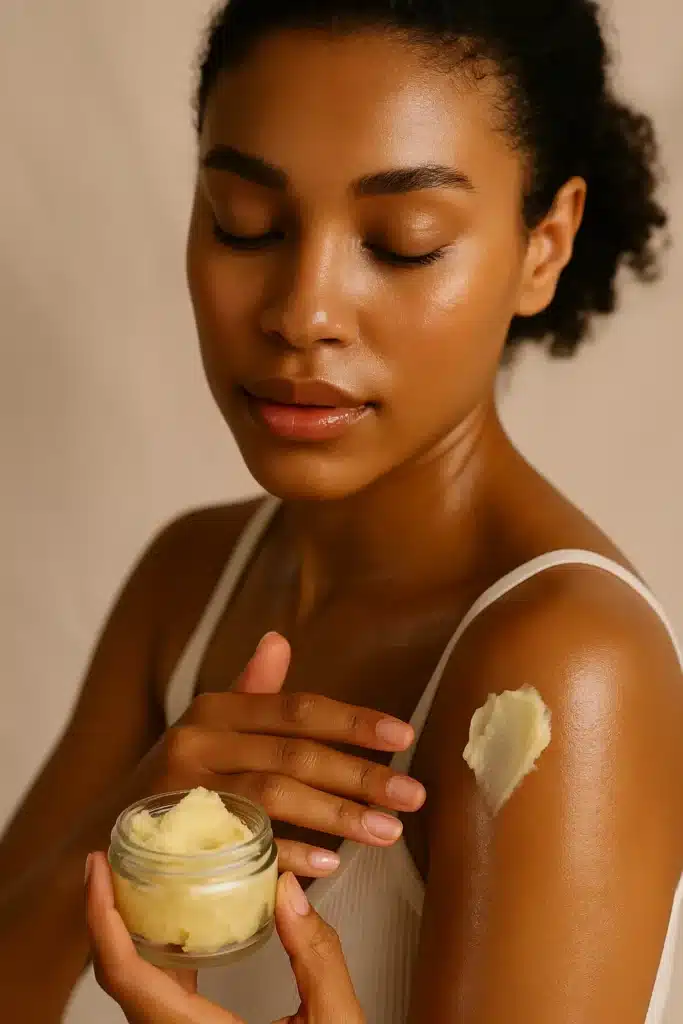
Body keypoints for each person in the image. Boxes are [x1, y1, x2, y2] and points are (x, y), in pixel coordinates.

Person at [0, 0, 681, 1021]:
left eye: (402, 244)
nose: (301, 312)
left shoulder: (566, 667)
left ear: (543, 246)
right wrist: (122, 827)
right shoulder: (191, 577)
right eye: (246, 223)